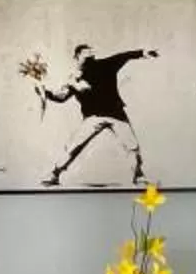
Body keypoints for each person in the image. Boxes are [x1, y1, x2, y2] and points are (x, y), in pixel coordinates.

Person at [38, 42, 157, 187]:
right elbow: (61, 98)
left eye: (91, 54)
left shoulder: (105, 65)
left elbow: (123, 56)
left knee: (132, 146)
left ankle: (138, 175)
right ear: (76, 57)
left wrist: (143, 53)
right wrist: (46, 93)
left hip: (115, 114)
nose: (89, 56)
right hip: (93, 117)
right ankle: (54, 174)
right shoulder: (74, 79)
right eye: (85, 54)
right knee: (74, 146)